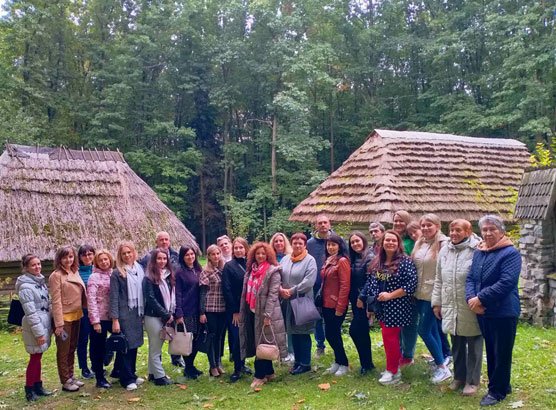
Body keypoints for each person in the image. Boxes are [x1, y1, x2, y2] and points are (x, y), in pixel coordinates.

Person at [466, 215, 521, 406]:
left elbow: (506, 282)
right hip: (483, 311)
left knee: (501, 352)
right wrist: (471, 299)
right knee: (491, 349)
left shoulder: (510, 253)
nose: (488, 233)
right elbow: (471, 278)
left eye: (492, 229)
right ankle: (502, 385)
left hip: (504, 311)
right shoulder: (480, 252)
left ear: (501, 231)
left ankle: (497, 392)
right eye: (485, 229)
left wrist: (480, 298)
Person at [358, 230, 417, 385]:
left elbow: (410, 285)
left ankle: (393, 372)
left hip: (397, 306)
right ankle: (393, 366)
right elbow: (372, 282)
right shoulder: (378, 262)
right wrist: (370, 305)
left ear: (398, 244)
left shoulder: (405, 261)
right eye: (387, 240)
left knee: (390, 338)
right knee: (389, 338)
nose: (390, 243)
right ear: (382, 242)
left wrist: (390, 295)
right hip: (381, 307)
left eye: (393, 240)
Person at [432, 219, 482, 396]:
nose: (453, 233)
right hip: (450, 302)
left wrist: (480, 300)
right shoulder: (445, 250)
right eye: (451, 230)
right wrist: (437, 302)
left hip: (470, 303)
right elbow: (439, 278)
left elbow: (481, 278)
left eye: (458, 230)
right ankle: (459, 377)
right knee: (457, 343)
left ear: (468, 232)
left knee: (474, 343)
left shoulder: (477, 249)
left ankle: (473, 381)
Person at [239, 242, 287, 388]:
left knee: (261, 343)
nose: (260, 256)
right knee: (261, 341)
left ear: (268, 255)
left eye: (263, 254)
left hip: (267, 313)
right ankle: (269, 372)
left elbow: (273, 295)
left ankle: (259, 376)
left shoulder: (273, 271)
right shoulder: (251, 270)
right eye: (258, 253)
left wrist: (267, 315)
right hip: (253, 311)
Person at [412, 213, 452, 384]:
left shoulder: (445, 244)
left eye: (429, 225)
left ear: (437, 226)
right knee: (433, 329)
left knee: (423, 330)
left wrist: (440, 299)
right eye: (423, 225)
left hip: (433, 294)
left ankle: (443, 368)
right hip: (419, 293)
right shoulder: (420, 242)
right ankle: (440, 359)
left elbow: (446, 272)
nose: (426, 228)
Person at [139, 231, 183, 367]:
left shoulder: (176, 256)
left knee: (172, 333)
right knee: (156, 341)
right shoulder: (148, 258)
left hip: (171, 302)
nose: (164, 242)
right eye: (161, 240)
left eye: (166, 239)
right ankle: (157, 369)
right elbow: (149, 294)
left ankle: (176, 358)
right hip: (156, 307)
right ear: (156, 242)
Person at [49, 245, 87, 392]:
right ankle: (65, 380)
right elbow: (56, 300)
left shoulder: (74, 271)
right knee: (63, 350)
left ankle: (71, 376)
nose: (68, 260)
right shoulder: (56, 276)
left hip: (76, 314)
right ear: (59, 259)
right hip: (64, 317)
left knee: (72, 348)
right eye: (64, 257)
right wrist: (58, 324)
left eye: (70, 256)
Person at [16, 254, 53, 401]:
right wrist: (39, 333)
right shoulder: (26, 287)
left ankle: (38, 386)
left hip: (43, 323)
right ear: (26, 268)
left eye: (39, 264)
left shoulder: (39, 282)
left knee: (38, 355)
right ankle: (29, 389)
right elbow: (30, 313)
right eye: (33, 265)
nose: (37, 267)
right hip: (34, 326)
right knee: (34, 357)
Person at [280, 233, 318, 375]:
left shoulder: (310, 260)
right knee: (293, 331)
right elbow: (278, 275)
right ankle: (297, 361)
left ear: (305, 245)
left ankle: (305, 363)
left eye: (300, 243)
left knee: (303, 332)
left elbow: (309, 282)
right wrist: (280, 289)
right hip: (287, 301)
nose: (297, 245)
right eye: (295, 243)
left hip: (302, 300)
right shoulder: (285, 259)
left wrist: (292, 290)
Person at [110, 241, 146, 391]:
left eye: (129, 252)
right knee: (125, 346)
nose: (127, 255)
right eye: (123, 253)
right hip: (124, 315)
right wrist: (115, 319)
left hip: (137, 313)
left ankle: (132, 373)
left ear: (134, 252)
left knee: (134, 346)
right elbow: (114, 297)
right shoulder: (117, 273)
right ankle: (126, 379)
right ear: (120, 256)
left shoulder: (139, 269)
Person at [222, 237, 253, 382]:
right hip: (235, 309)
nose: (239, 250)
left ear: (246, 249)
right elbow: (226, 289)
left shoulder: (251, 265)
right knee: (236, 338)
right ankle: (237, 368)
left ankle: (243, 364)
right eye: (236, 248)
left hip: (249, 307)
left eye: (241, 247)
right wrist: (235, 311)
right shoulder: (229, 266)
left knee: (246, 336)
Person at [143, 249, 175, 386]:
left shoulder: (168, 275)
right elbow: (151, 299)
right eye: (159, 259)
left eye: (164, 259)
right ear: (154, 260)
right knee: (156, 347)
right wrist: (165, 314)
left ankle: (152, 373)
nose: (162, 261)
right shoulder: (148, 278)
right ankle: (160, 377)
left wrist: (169, 313)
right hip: (153, 316)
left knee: (155, 346)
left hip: (165, 315)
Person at [321, 233, 351, 376]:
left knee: (333, 334)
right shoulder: (328, 260)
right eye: (328, 244)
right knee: (330, 334)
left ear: (340, 246)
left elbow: (345, 286)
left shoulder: (342, 261)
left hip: (336, 304)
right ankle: (338, 361)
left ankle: (344, 363)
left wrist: (340, 306)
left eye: (333, 244)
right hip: (326, 303)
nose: (331, 247)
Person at [392, 210, 418, 367]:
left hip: (409, 289)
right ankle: (400, 351)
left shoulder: (412, 242)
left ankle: (408, 355)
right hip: (393, 289)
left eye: (401, 221)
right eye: (395, 221)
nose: (398, 223)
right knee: (397, 323)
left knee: (409, 323)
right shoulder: (393, 239)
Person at [348, 232, 375, 375]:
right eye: (352, 242)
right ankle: (367, 364)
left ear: (363, 241)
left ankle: (367, 363)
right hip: (355, 300)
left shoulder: (369, 257)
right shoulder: (354, 258)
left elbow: (371, 280)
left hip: (363, 301)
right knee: (362, 332)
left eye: (357, 241)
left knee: (355, 331)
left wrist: (362, 297)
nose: (355, 244)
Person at [87, 249, 115, 389]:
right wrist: (95, 321)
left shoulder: (113, 274)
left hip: (113, 316)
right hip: (99, 317)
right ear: (96, 263)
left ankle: (118, 370)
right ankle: (99, 377)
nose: (104, 262)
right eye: (100, 260)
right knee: (97, 347)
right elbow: (91, 299)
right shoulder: (94, 277)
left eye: (106, 259)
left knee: (119, 341)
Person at [175, 246, 204, 380]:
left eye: (192, 254)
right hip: (186, 311)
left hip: (198, 310)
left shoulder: (198, 269)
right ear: (182, 257)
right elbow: (177, 293)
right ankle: (188, 367)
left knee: (197, 339)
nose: (190, 257)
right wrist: (179, 313)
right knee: (187, 340)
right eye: (187, 255)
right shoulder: (179, 272)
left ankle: (191, 365)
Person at [307, 213, 332, 357]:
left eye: (325, 222)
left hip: (332, 287)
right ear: (316, 226)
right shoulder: (310, 244)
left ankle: (335, 343)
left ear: (329, 224)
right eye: (320, 223)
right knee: (317, 317)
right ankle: (320, 345)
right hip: (315, 286)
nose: (323, 225)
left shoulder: (337, 240)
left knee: (331, 318)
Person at [199, 245, 227, 377]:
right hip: (210, 309)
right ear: (208, 256)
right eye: (213, 254)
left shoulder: (222, 269)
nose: (216, 256)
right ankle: (212, 365)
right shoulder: (206, 272)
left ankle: (218, 361)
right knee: (211, 336)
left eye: (218, 254)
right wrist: (202, 312)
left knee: (220, 337)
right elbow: (202, 293)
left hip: (222, 308)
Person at [270, 232, 295, 363]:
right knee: (277, 326)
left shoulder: (291, 257)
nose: (279, 243)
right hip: (274, 295)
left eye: (281, 241)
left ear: (285, 243)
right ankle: (278, 352)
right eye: (276, 241)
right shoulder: (270, 258)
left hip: (288, 294)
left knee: (288, 323)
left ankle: (291, 351)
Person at [77, 244, 95, 379]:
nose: (87, 257)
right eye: (84, 255)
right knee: (83, 339)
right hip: (83, 310)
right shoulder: (76, 272)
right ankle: (84, 368)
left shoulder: (98, 269)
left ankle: (96, 365)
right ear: (80, 257)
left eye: (90, 254)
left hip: (97, 310)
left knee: (96, 339)